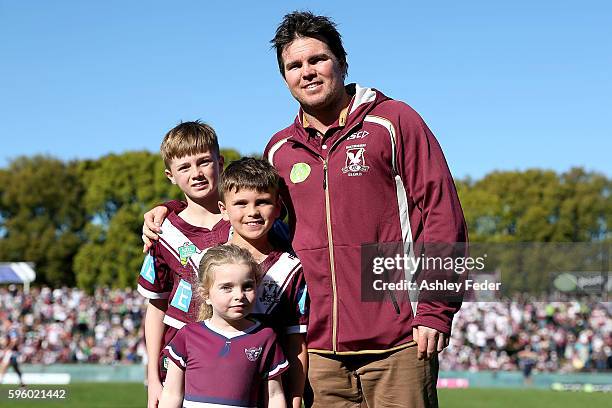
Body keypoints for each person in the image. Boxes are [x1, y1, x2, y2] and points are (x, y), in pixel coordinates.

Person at [144, 11, 468, 407]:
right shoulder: (280, 149)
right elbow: (245, 213)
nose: (307, 72)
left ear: (342, 62)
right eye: (294, 65)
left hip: (397, 342)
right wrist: (171, 208)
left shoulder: (395, 122)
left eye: (317, 59)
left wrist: (435, 311)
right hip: (317, 351)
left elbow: (442, 214)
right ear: (285, 79)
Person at [156, 157, 309, 407]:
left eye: (263, 202)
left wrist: (294, 399)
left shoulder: (292, 268)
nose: (252, 212)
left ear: (278, 207)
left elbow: (296, 343)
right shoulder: (203, 261)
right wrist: (155, 379)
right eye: (241, 204)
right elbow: (180, 327)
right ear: (224, 209)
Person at [137, 120, 230, 408]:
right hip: (180, 365)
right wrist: (153, 377)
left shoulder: (242, 221)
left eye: (204, 162)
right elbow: (156, 307)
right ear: (171, 175)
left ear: (220, 162)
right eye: (184, 167)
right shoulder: (162, 231)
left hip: (237, 359)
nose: (197, 173)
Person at [158, 244, 287, 408]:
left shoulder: (266, 337)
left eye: (247, 286)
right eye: (227, 287)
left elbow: (275, 396)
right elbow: (171, 394)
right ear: (206, 295)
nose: (239, 295)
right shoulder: (187, 335)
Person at [0, 318, 25, 387]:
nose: (5, 324)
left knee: (4, 365)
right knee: (15, 368)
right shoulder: (12, 329)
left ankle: (1, 380)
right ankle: (22, 384)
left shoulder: (12, 330)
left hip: (12, 351)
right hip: (14, 351)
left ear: (9, 322)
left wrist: (8, 348)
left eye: (6, 322)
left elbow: (14, 340)